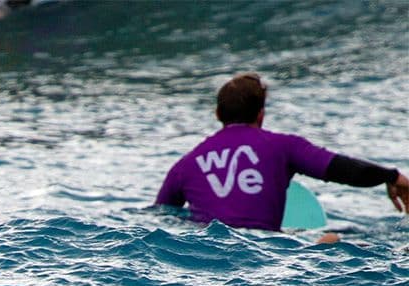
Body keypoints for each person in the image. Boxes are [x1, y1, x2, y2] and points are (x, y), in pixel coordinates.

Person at [155, 72, 409, 231]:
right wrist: (391, 176)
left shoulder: (185, 165)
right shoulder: (284, 146)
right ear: (261, 115)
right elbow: (341, 169)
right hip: (264, 253)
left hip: (206, 255)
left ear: (218, 114)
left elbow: (162, 217)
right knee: (332, 240)